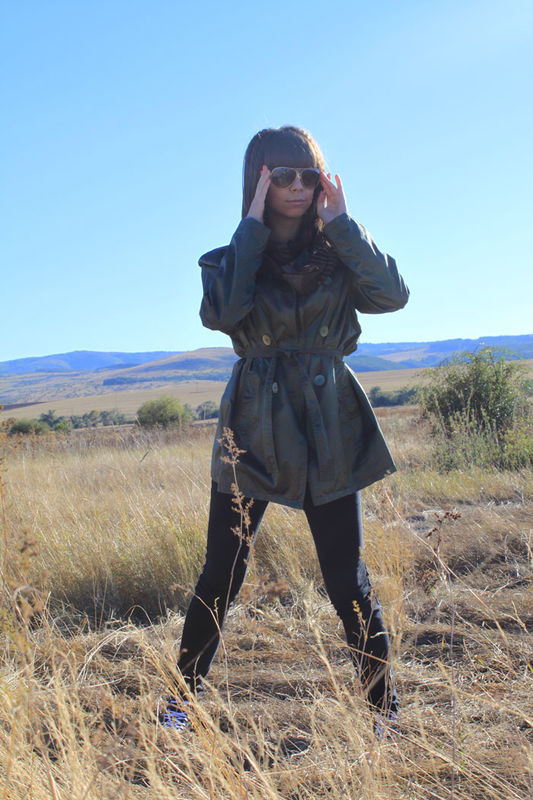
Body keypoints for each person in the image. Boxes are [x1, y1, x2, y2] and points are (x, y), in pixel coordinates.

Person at [163, 125, 409, 736]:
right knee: (222, 571)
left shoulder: (340, 252)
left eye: (308, 174)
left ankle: (383, 712)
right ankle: (177, 707)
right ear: (259, 180)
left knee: (345, 575)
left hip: (329, 423)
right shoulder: (230, 259)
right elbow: (222, 313)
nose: (297, 187)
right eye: (281, 175)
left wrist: (343, 224)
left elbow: (393, 296)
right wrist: (250, 228)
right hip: (253, 426)